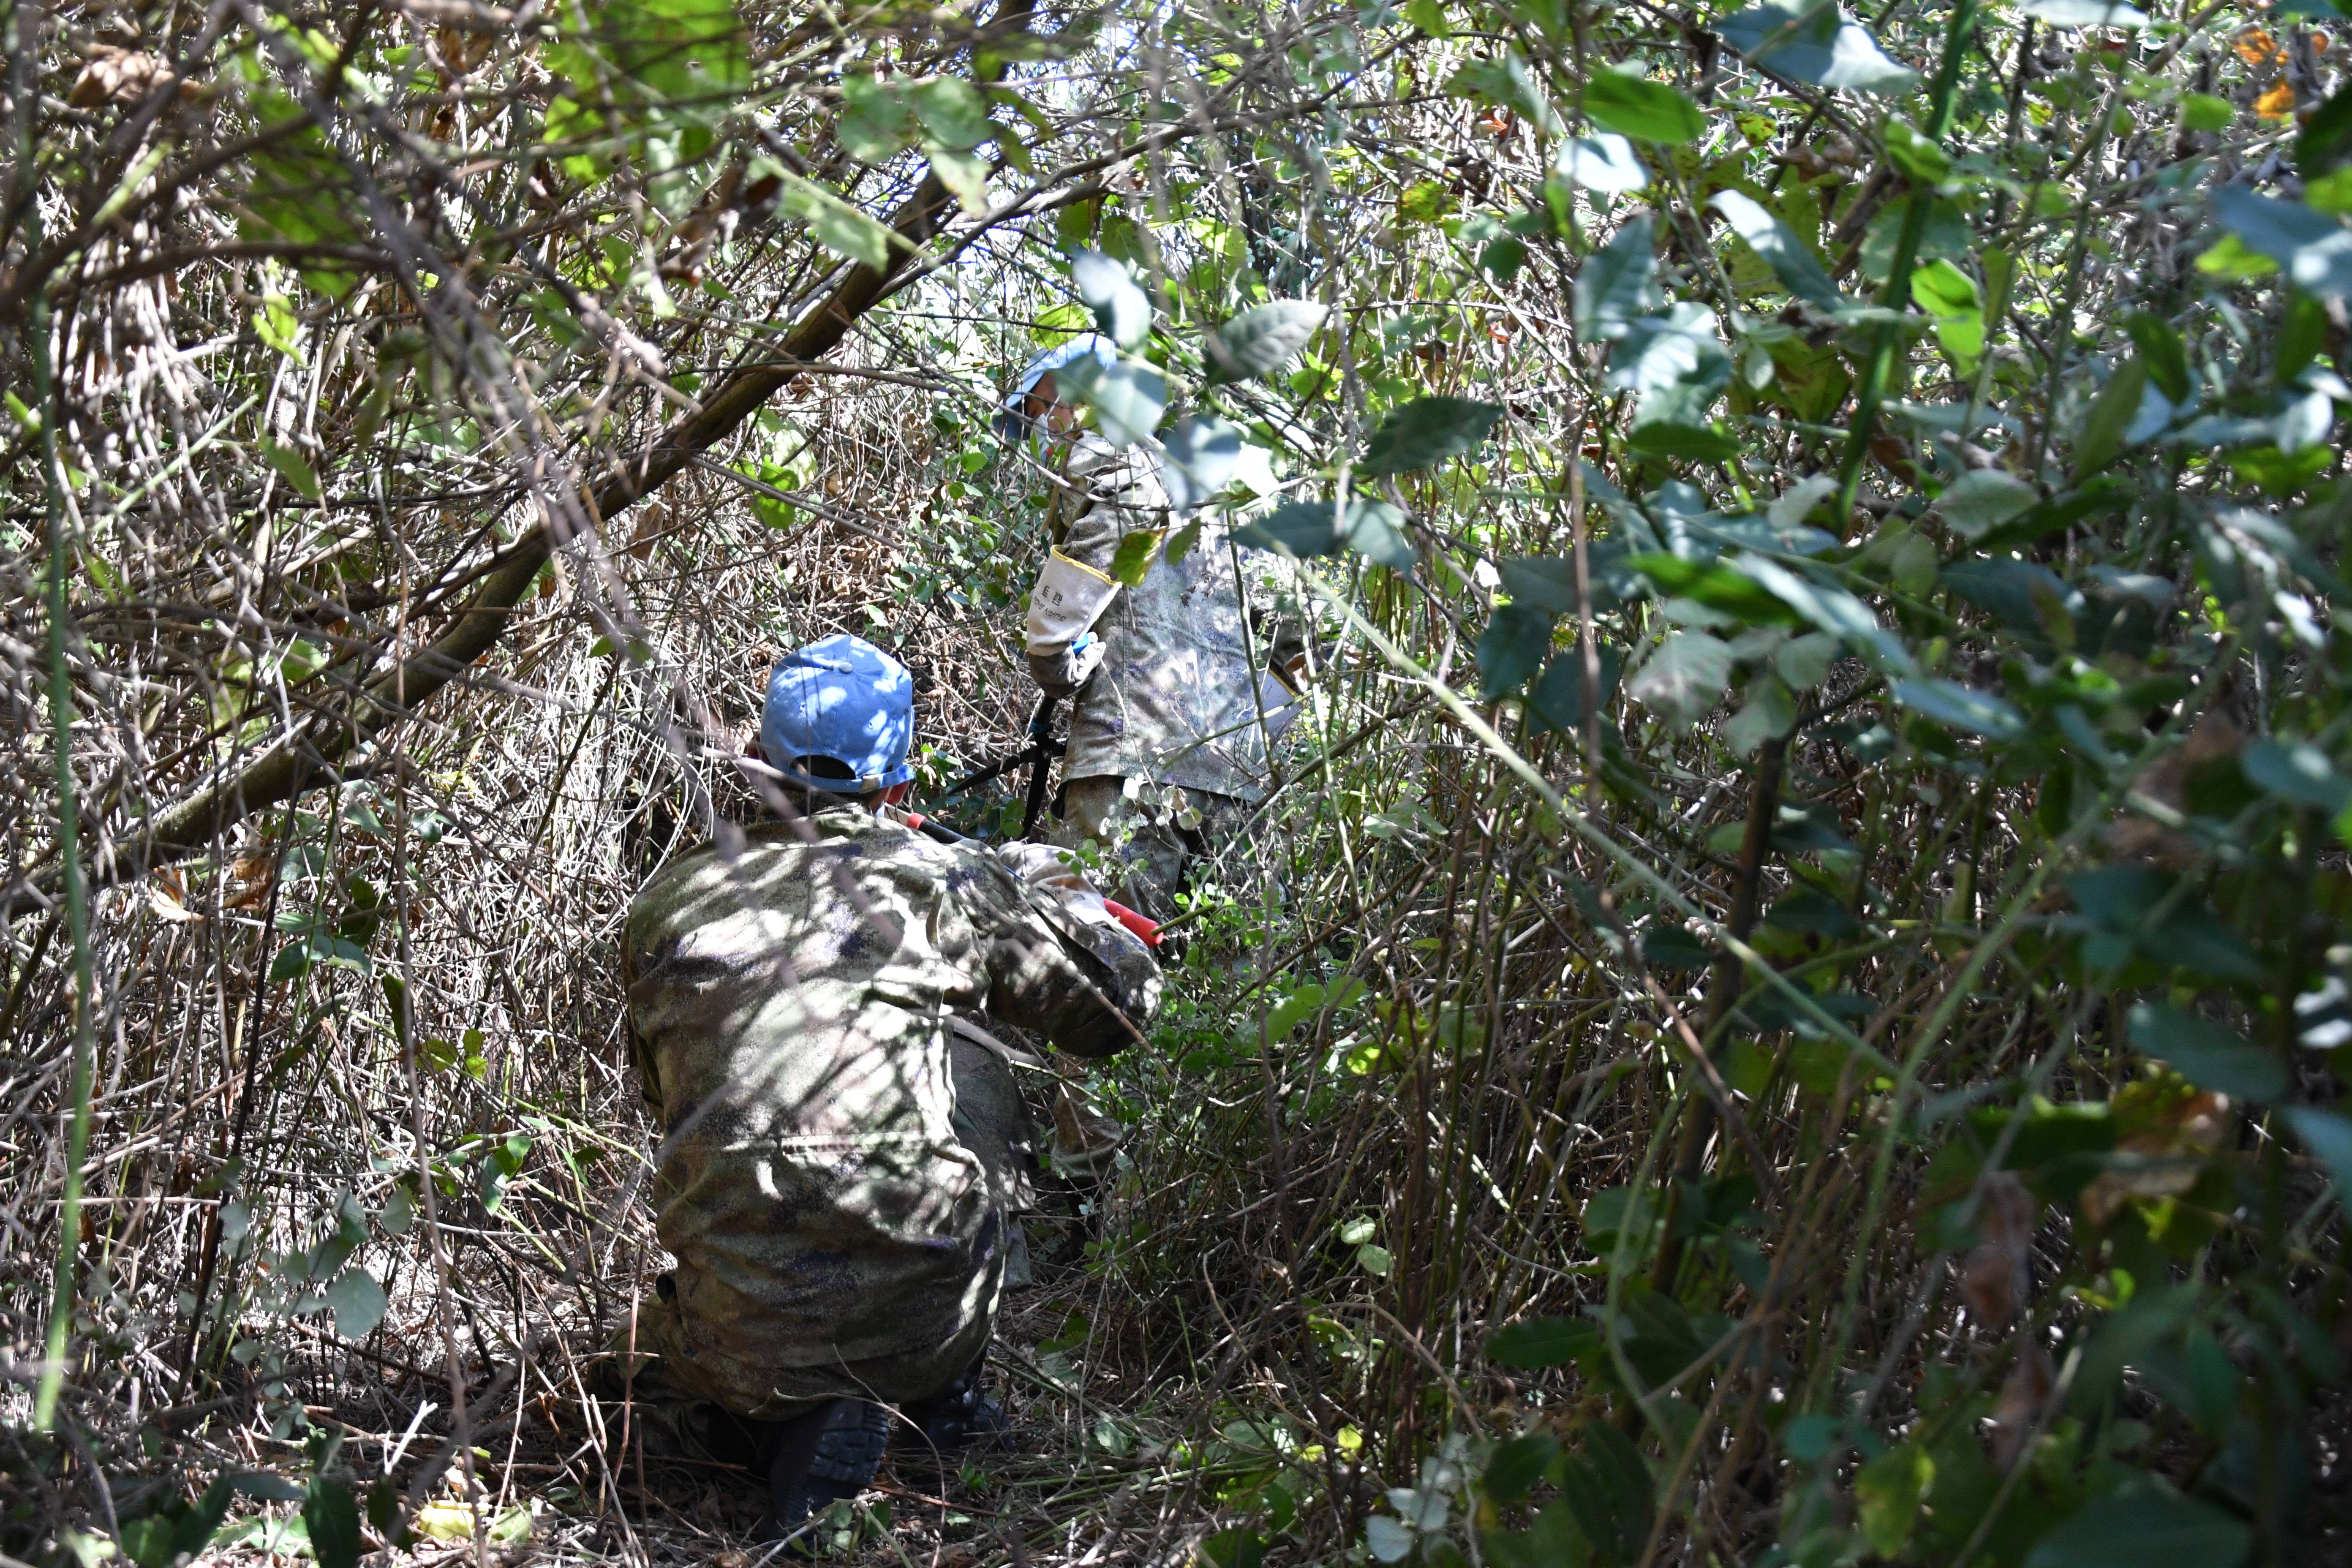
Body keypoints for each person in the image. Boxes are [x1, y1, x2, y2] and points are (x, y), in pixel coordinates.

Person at [616, 632, 1161, 1539]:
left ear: (761, 772)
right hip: (924, 1325)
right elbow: (1121, 1015)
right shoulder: (943, 884)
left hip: (730, 1335)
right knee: (973, 1052)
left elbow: (666, 1101)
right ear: (898, 788)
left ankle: (766, 1407)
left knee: (680, 1322)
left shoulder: (667, 906)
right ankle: (928, 1398)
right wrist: (1063, 902)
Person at [1003, 335, 1307, 924]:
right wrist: (1243, 744)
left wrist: (1060, 672)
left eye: (1040, 405)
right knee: (1215, 983)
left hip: (1126, 772)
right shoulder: (1237, 505)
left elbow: (1057, 629)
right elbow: (1297, 656)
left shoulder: (1110, 461)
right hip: (1235, 788)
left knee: (1095, 962)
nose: (1040, 424)